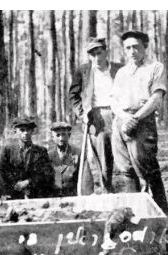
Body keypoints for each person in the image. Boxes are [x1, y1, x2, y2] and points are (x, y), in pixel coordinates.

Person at [110, 31, 168, 216]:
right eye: (128, 47)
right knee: (126, 170)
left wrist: (135, 118)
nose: (132, 51)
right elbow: (114, 100)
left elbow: (156, 98)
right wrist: (123, 117)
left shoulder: (155, 67)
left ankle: (164, 215)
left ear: (145, 47)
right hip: (121, 121)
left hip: (143, 121)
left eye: (136, 46)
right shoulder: (122, 72)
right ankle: (135, 214)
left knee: (148, 168)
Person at [69, 37, 123, 195]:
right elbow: (73, 95)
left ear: (106, 52)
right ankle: (106, 190)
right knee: (102, 156)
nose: (97, 58)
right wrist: (82, 113)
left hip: (118, 114)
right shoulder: (84, 71)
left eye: (99, 53)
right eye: (92, 55)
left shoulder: (119, 69)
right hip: (96, 116)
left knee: (125, 154)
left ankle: (134, 191)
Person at [0, 117, 55, 199]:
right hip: (14, 193)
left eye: (28, 130)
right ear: (15, 131)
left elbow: (46, 172)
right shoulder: (8, 150)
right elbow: (2, 170)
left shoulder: (41, 151)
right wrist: (16, 184)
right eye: (22, 130)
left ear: (32, 131)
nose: (25, 133)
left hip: (35, 193)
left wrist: (28, 182)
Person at [48, 122, 80, 197]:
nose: (61, 138)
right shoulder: (49, 155)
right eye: (58, 135)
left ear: (69, 135)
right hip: (54, 196)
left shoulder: (77, 152)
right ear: (53, 138)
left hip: (72, 195)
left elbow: (85, 178)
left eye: (63, 134)